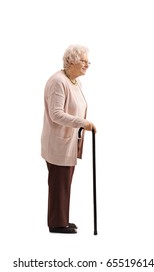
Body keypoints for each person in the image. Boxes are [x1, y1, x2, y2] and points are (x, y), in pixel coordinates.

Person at [41, 45, 96, 234]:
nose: (87, 64)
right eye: (83, 60)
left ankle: (61, 218)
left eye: (88, 61)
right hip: (59, 143)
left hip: (69, 142)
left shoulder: (73, 81)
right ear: (71, 61)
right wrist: (82, 123)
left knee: (64, 183)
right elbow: (56, 114)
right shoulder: (58, 81)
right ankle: (57, 224)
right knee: (59, 184)